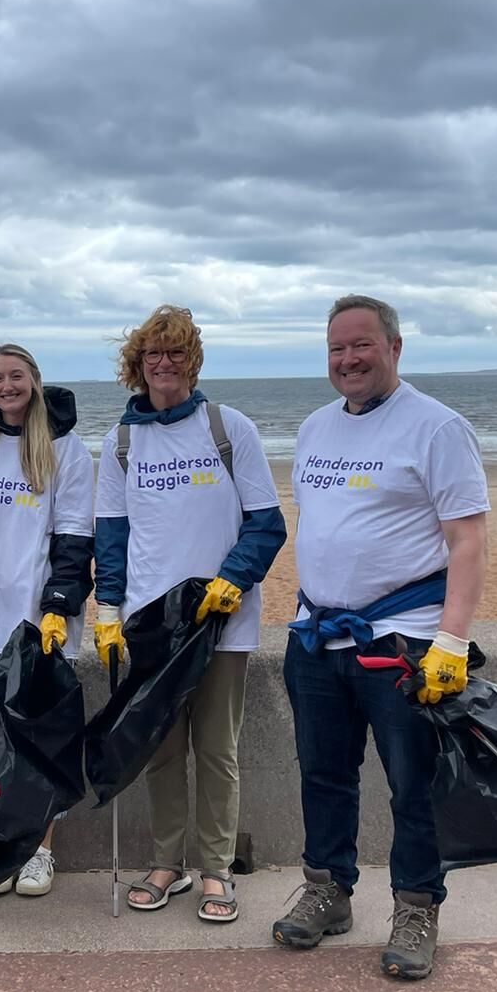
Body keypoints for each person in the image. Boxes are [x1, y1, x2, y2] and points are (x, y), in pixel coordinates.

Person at [271, 294, 489, 981]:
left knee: (412, 785)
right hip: (317, 636)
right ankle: (328, 891)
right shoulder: (314, 428)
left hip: (403, 641)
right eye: (336, 349)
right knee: (323, 775)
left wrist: (451, 642)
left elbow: (469, 540)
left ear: (394, 347)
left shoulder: (437, 428)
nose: (348, 360)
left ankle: (417, 907)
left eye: (361, 345)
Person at [94, 306, 287, 923]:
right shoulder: (121, 442)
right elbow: (111, 534)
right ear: (137, 365)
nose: (164, 363)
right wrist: (108, 609)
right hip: (152, 625)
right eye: (153, 353)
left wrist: (233, 580)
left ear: (192, 361)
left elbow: (266, 522)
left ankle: (216, 870)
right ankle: (167, 863)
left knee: (216, 750)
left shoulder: (229, 428)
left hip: (222, 623)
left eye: (176, 353)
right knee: (160, 747)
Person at [0, 343, 93, 896]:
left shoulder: (65, 449)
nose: (6, 386)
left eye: (15, 376)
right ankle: (0, 838)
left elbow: (76, 536)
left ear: (34, 379)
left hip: (40, 622)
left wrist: (59, 606)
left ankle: (41, 849)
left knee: (41, 740)